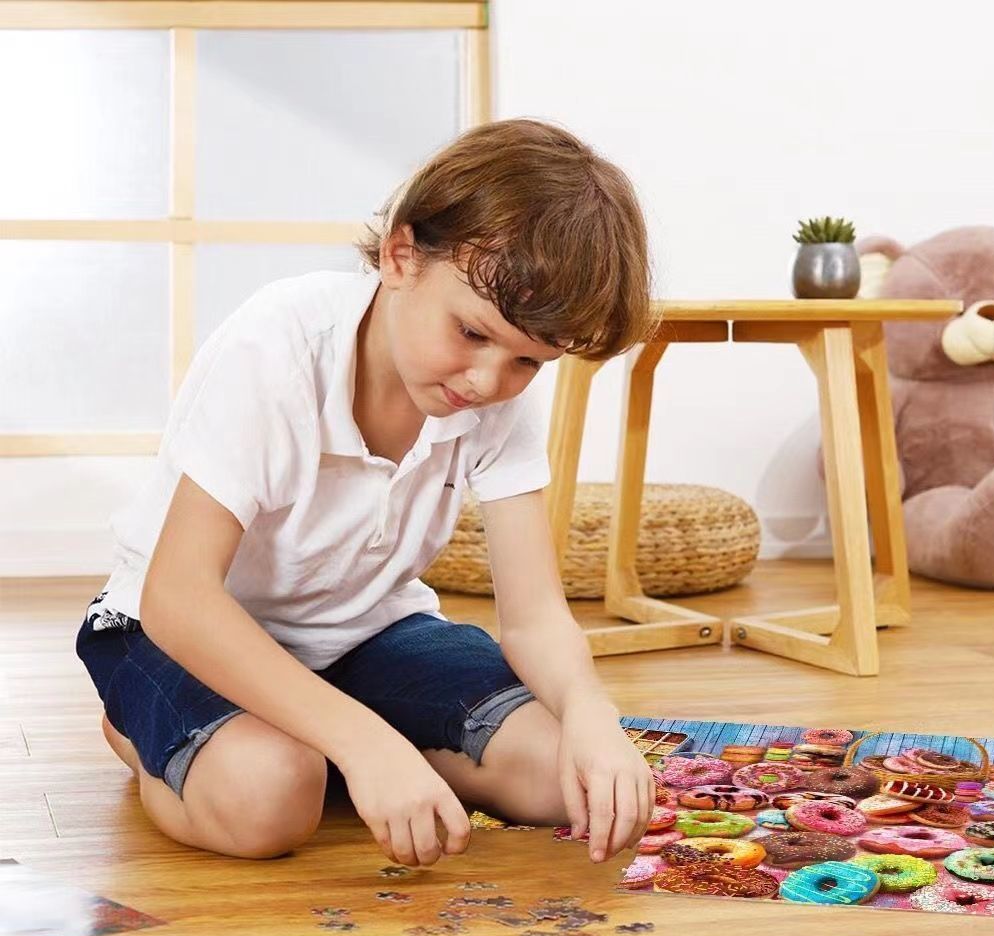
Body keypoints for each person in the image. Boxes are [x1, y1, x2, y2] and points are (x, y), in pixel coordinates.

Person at [75, 118, 656, 869]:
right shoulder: (277, 347)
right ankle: (146, 732)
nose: (488, 380)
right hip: (176, 631)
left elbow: (534, 613)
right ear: (400, 256)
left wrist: (590, 711)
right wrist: (366, 743)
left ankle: (338, 740)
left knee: (560, 778)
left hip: (363, 633)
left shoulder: (493, 393)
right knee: (271, 797)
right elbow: (178, 598)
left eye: (528, 361)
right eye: (471, 333)